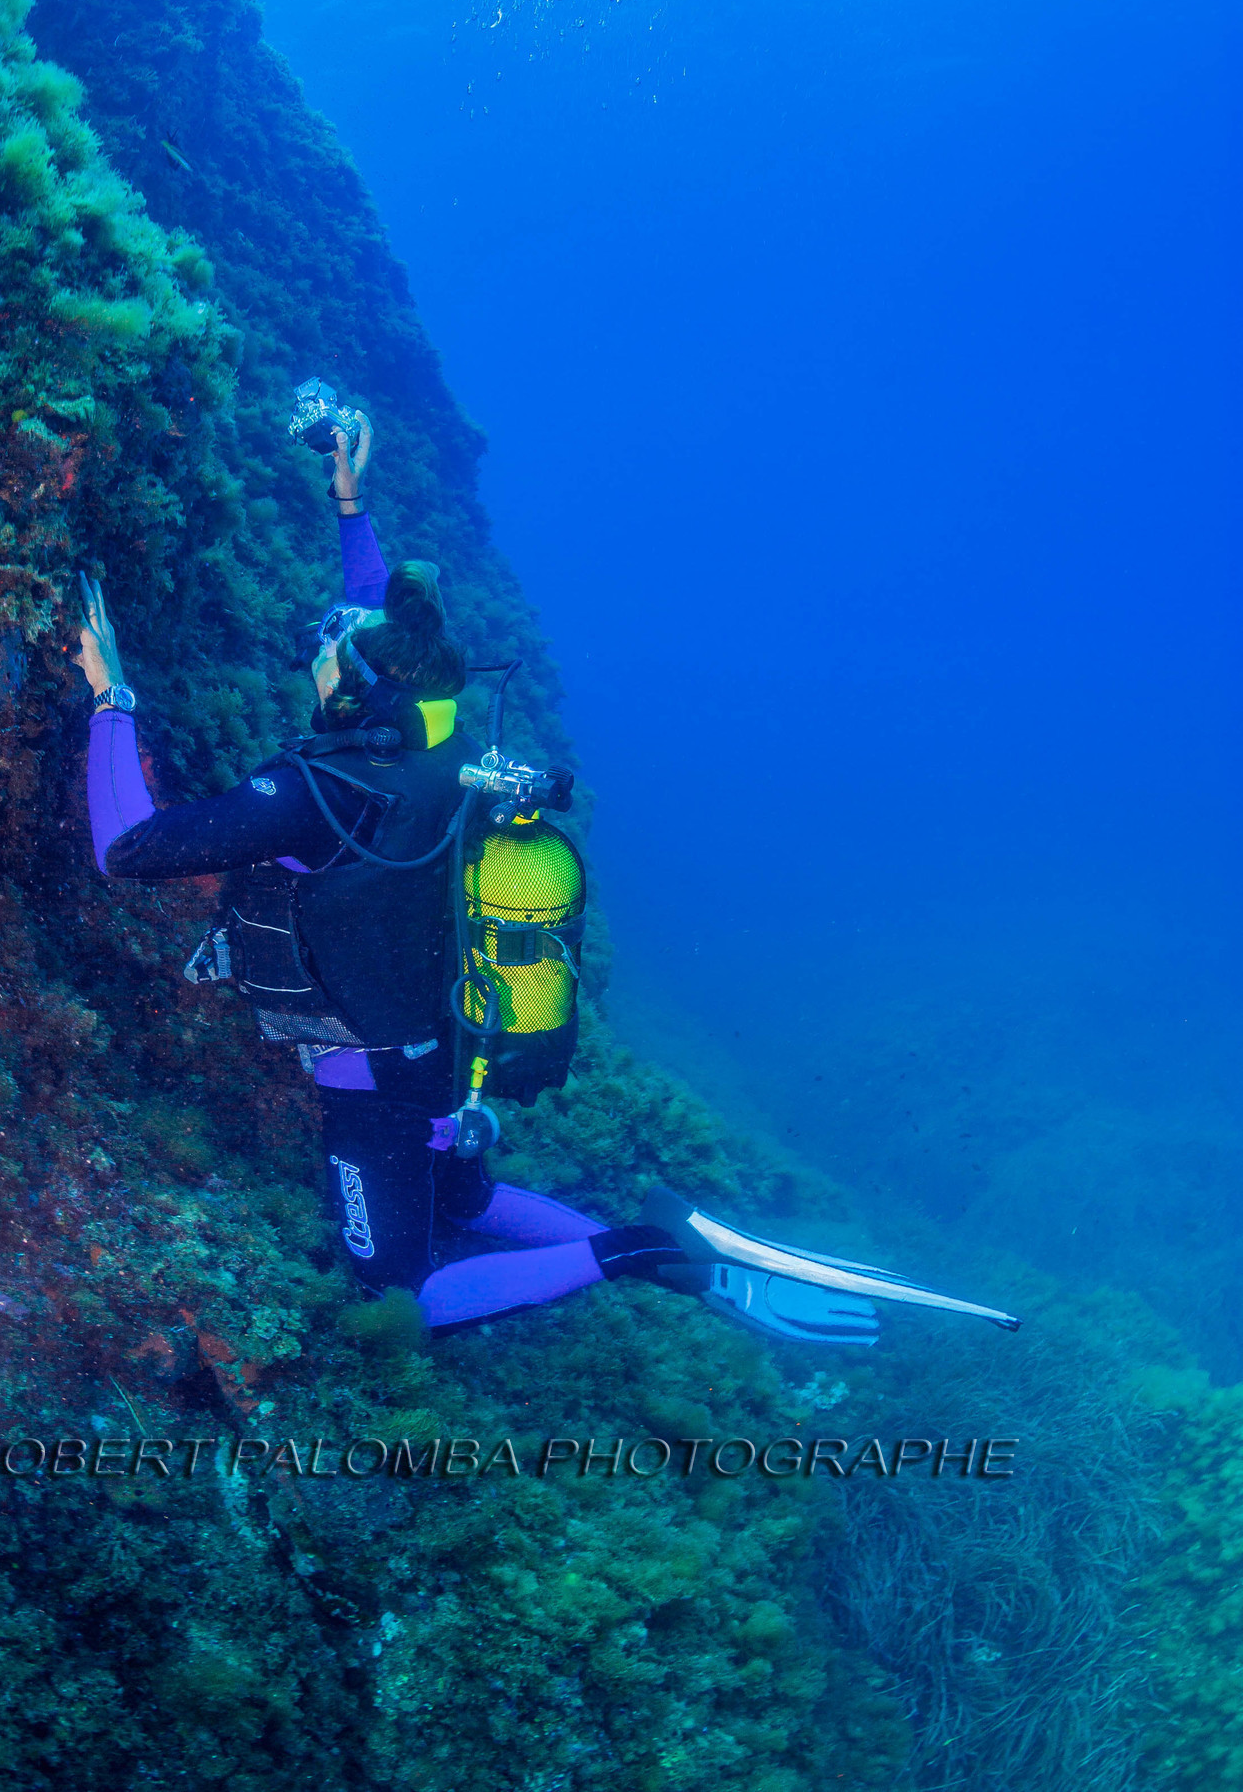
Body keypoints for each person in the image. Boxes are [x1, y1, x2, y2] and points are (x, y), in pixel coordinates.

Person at [77, 412, 1020, 1347]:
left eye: (327, 651)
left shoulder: (311, 793)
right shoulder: (456, 746)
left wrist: (110, 696)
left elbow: (124, 847)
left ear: (364, 689)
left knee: (401, 1296)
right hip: (457, 1054)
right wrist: (349, 498)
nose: (316, 657)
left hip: (379, 1084)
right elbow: (390, 614)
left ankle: (639, 1251)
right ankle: (702, 1276)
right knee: (462, 1197)